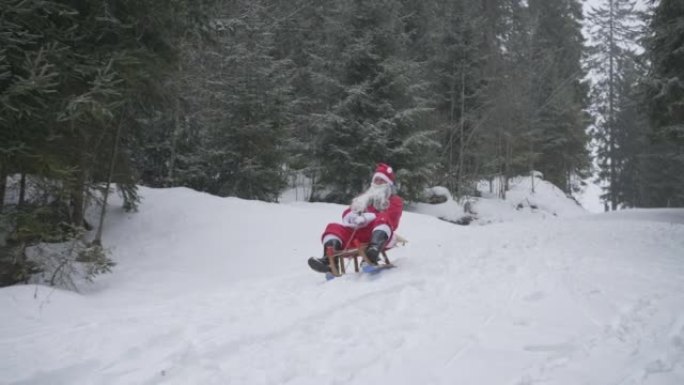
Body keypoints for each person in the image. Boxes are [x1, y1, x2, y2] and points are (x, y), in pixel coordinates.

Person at [308, 163, 404, 273]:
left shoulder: (394, 200)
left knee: (382, 218)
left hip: (380, 236)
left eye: (381, 181)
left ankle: (373, 251)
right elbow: (348, 211)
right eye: (376, 180)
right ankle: (329, 261)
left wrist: (369, 217)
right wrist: (351, 217)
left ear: (388, 184)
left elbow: (392, 220)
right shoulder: (363, 198)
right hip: (357, 235)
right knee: (333, 227)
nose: (378, 183)